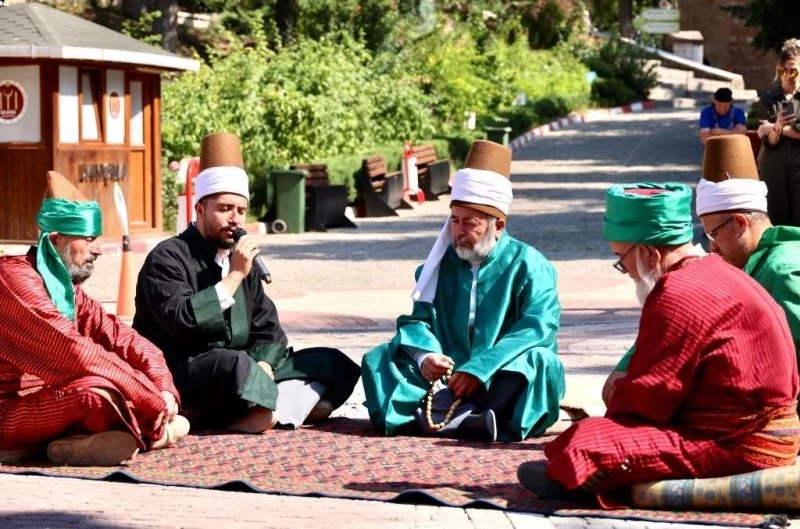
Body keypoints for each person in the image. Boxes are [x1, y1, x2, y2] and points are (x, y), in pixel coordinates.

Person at [517, 182, 800, 507]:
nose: (627, 273)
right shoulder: (717, 269)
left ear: (650, 254)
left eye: (622, 260)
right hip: (766, 430)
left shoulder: (678, 293)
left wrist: (615, 413)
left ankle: (585, 482)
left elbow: (647, 400)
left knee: (589, 440)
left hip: (741, 442)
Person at [133, 132, 360, 434]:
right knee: (233, 367)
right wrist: (234, 277)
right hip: (185, 369)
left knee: (329, 362)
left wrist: (265, 364)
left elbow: (268, 329)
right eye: (224, 209)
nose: (234, 219)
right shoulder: (168, 257)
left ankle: (268, 405)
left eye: (240, 211)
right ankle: (284, 404)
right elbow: (182, 323)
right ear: (200, 209)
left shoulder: (240, 258)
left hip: (245, 370)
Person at [361, 140, 565, 443]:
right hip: (446, 374)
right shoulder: (436, 268)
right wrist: (426, 357)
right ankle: (469, 419)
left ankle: (470, 416)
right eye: (454, 221)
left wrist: (480, 370)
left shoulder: (531, 265)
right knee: (380, 357)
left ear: (498, 225)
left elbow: (540, 327)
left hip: (501, 369)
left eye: (470, 223)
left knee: (540, 363)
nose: (459, 231)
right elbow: (416, 322)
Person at [0, 172, 188, 466]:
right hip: (7, 412)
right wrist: (147, 398)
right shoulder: (14, 280)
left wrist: (162, 386)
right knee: (97, 393)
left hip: (48, 401)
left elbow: (121, 337)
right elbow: (76, 352)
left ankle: (69, 443)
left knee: (115, 384)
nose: (98, 249)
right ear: (55, 240)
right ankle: (148, 433)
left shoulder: (68, 291)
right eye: (88, 239)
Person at [696, 134, 800, 364]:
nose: (712, 247)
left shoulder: (783, 273)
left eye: (714, 234)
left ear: (740, 223)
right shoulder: (759, 264)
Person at [755, 38, 800, 226]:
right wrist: (776, 127)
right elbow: (770, 141)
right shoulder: (768, 98)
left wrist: (778, 127)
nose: (789, 74)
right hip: (774, 170)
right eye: (784, 69)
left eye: (794, 69)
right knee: (776, 219)